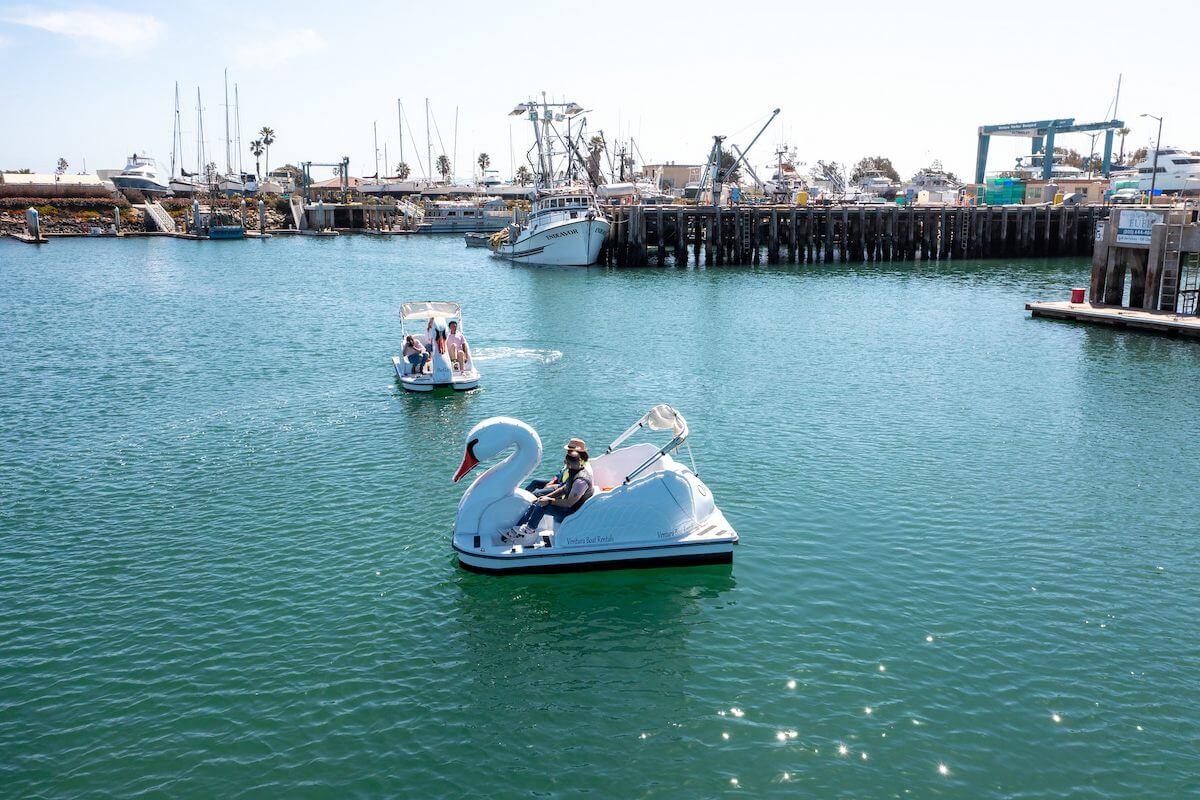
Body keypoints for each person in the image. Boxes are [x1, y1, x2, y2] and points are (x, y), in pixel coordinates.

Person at [503, 448, 594, 543]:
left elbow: (569, 503)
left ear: (567, 463)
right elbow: (563, 489)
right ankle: (516, 530)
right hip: (569, 507)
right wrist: (545, 497)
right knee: (538, 502)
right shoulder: (575, 472)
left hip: (573, 512)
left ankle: (530, 528)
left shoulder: (580, 481)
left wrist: (548, 500)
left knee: (542, 505)